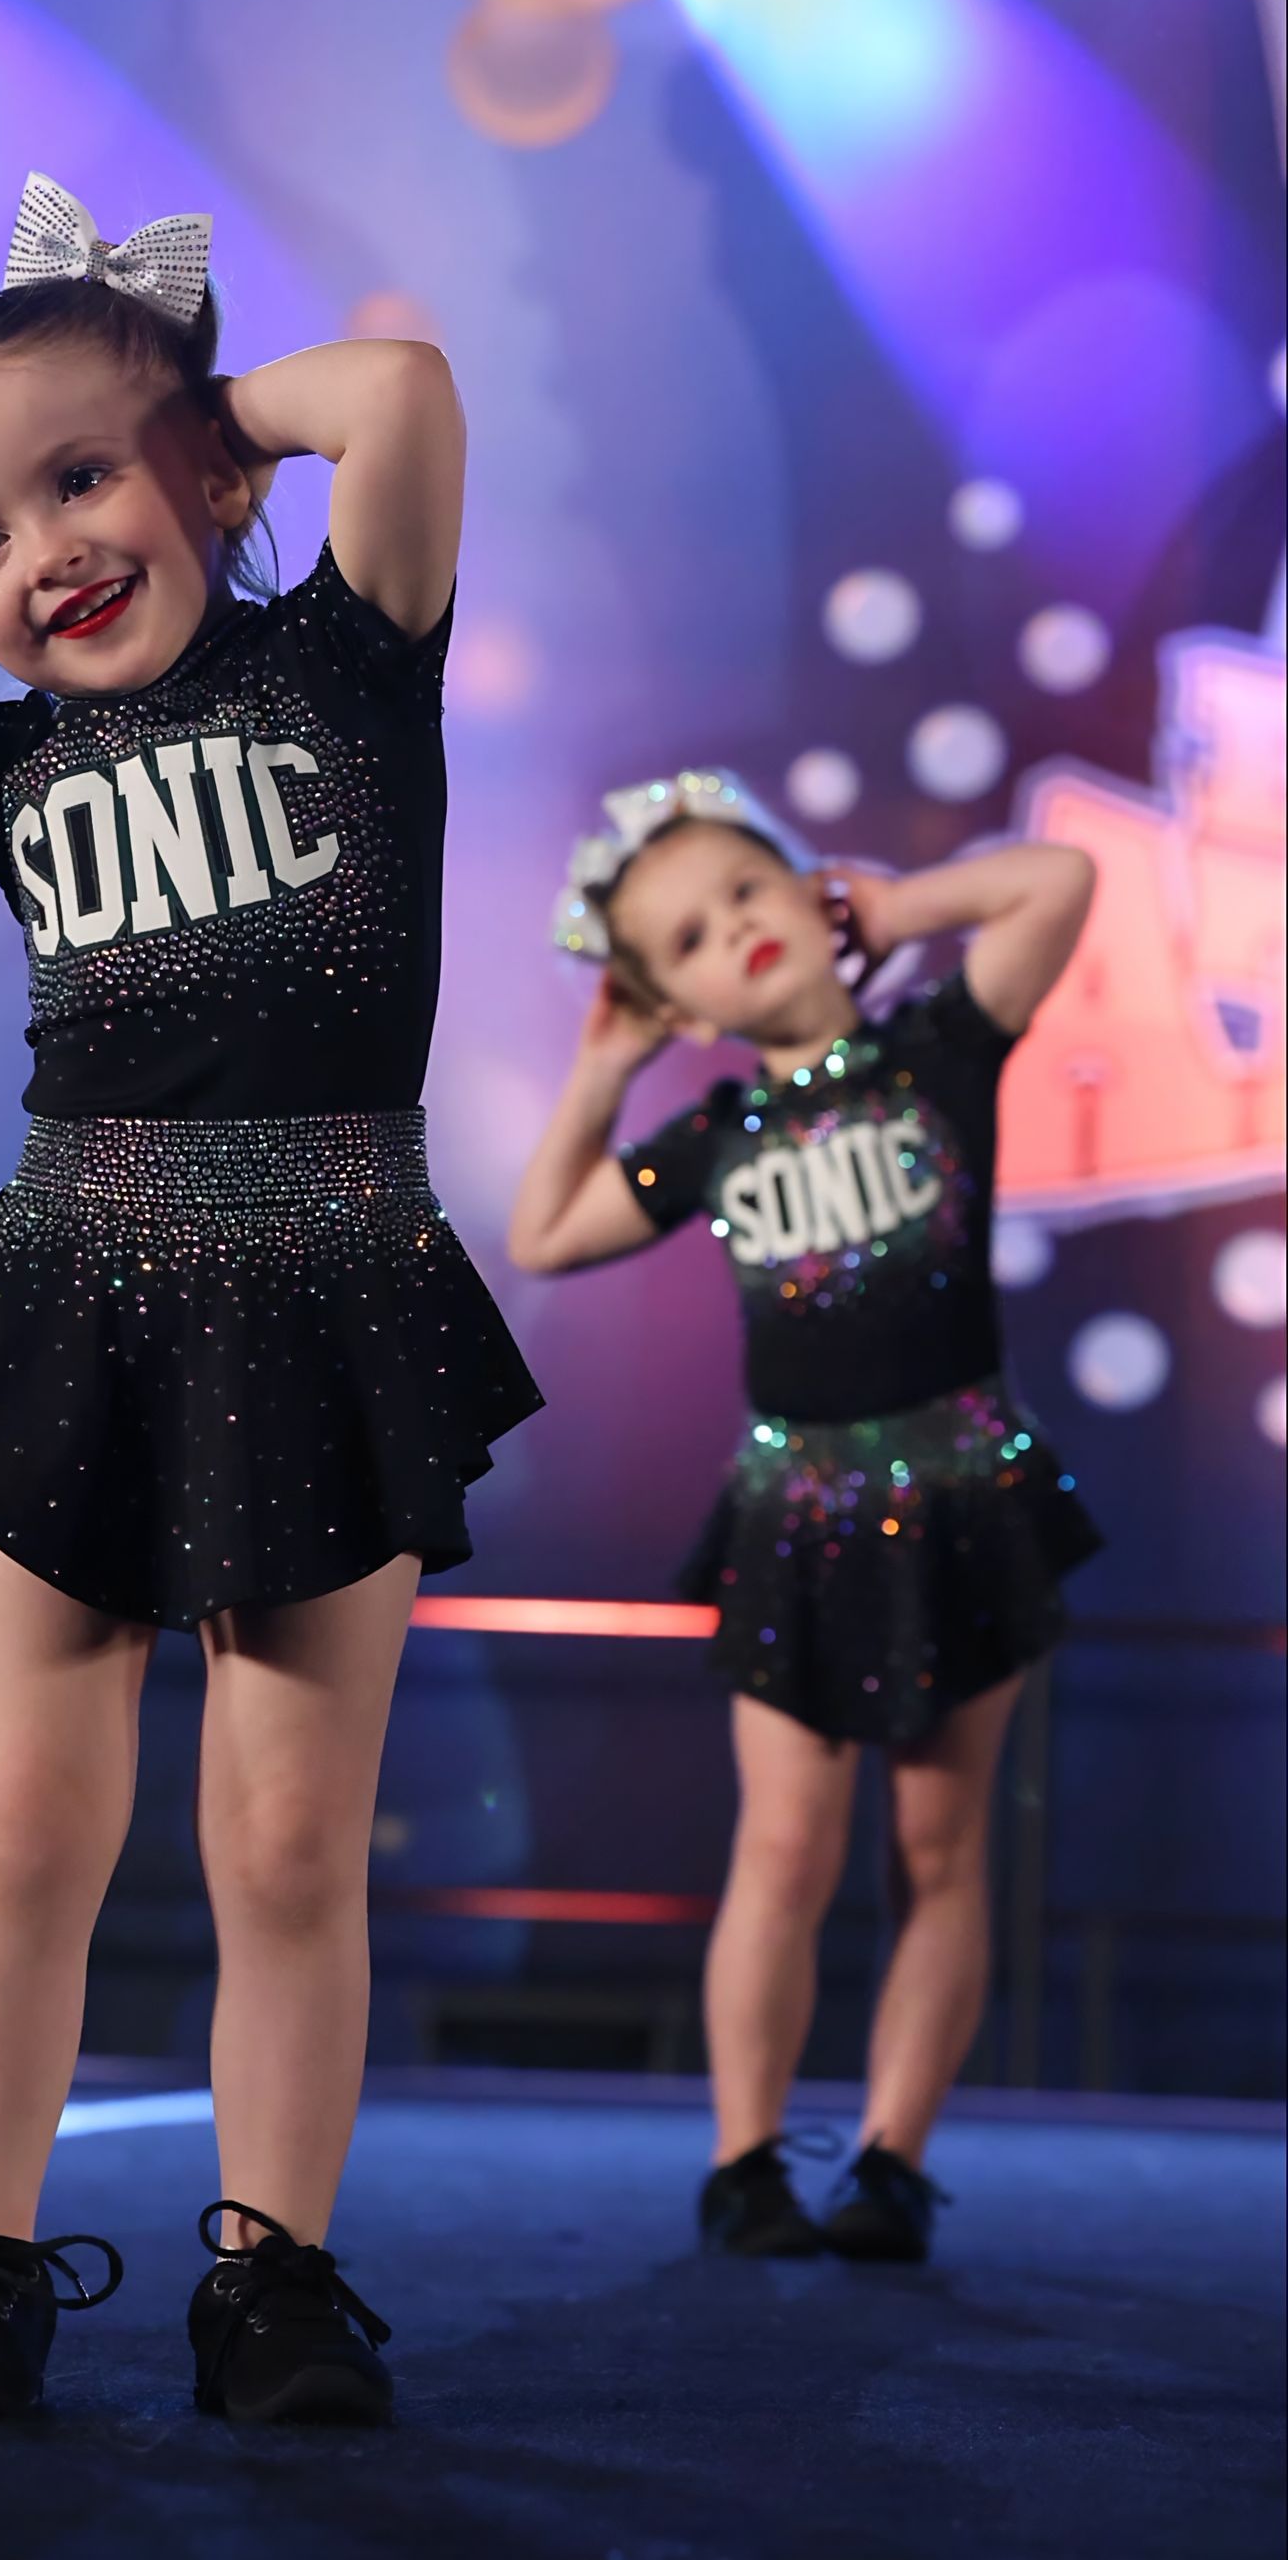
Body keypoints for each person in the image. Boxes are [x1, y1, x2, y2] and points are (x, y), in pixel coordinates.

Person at [0, 175, 540, 2422]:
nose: (44, 555)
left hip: (325, 1284)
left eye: (83, 481)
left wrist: (203, 424)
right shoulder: (5, 762)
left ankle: (270, 2270)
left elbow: (394, 392)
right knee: (25, 1815)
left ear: (202, 466)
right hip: (73, 1291)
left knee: (288, 1833)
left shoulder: (352, 659)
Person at [508, 772, 1100, 2263]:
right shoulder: (712, 1132)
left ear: (812, 889)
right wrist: (602, 1067)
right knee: (782, 1846)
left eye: (749, 891)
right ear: (680, 1001)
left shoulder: (938, 1050)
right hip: (798, 1515)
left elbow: (1060, 880)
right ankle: (746, 2155)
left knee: (940, 1847)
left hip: (963, 1491)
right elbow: (542, 1233)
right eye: (693, 937)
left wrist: (901, 906)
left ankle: (894, 2155)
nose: (737, 930)